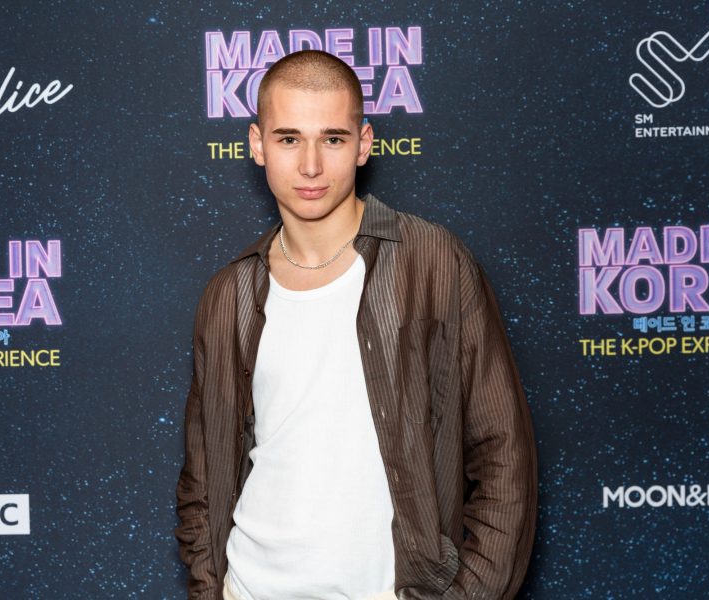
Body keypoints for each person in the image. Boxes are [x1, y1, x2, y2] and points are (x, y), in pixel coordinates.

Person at [176, 49, 537, 600]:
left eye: (333, 139)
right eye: (289, 139)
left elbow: (503, 455)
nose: (311, 166)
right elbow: (203, 480)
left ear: (364, 144)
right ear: (257, 144)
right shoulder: (229, 294)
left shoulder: (431, 262)